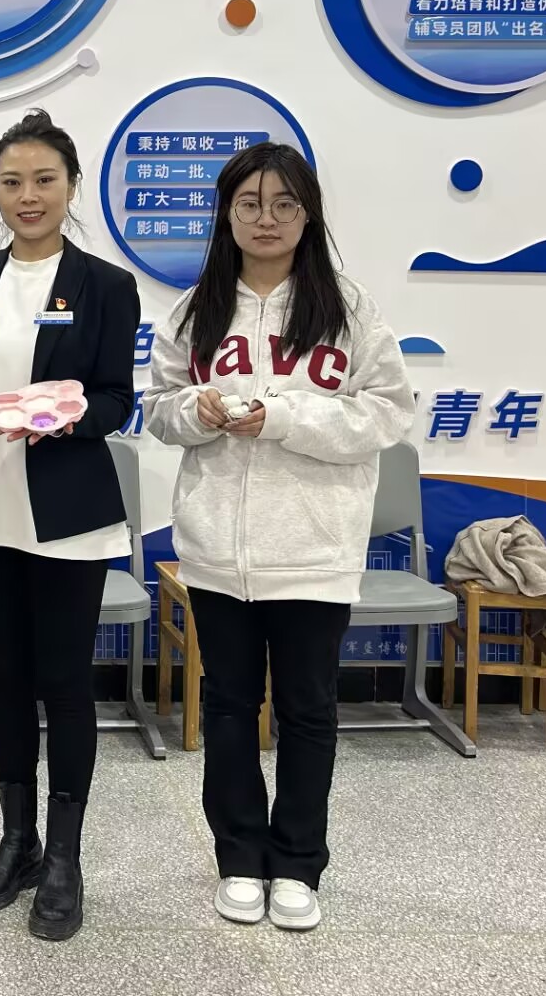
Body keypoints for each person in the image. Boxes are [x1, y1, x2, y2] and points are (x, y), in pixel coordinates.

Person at [143, 142, 413, 933]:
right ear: (226, 214)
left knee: (308, 711)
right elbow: (158, 409)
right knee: (228, 708)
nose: (267, 219)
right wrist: (195, 411)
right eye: (250, 204)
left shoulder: (348, 310)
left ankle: (297, 864)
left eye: (284, 204)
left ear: (308, 215)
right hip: (218, 553)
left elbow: (386, 413)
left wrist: (284, 418)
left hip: (315, 547)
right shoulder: (196, 311)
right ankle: (238, 858)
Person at [0, 111, 140, 943]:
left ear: (71, 186)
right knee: (6, 678)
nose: (28, 195)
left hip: (67, 517)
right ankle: (17, 842)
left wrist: (69, 414)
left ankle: (66, 859)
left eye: (44, 180)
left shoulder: (104, 285)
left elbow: (118, 399)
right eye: (12, 182)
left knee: (64, 681)